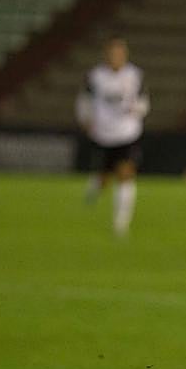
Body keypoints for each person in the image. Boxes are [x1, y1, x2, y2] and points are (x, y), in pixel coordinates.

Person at [76, 36, 149, 236]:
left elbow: (143, 101)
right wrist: (85, 119)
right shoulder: (95, 76)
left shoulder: (135, 75)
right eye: (112, 54)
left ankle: (121, 224)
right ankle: (93, 190)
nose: (116, 57)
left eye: (119, 53)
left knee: (125, 174)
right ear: (106, 55)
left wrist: (138, 110)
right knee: (104, 177)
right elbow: (84, 100)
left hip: (127, 133)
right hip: (103, 134)